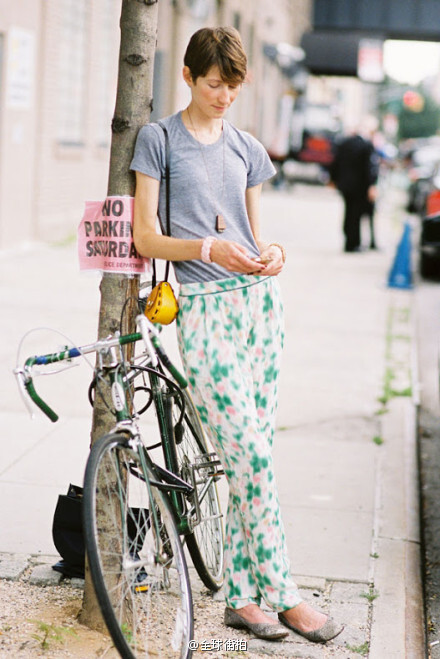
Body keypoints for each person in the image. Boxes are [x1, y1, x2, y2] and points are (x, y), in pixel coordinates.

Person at [130, 26, 344, 644]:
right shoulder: (158, 140)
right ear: (190, 78)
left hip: (259, 307)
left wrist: (270, 253)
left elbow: (256, 234)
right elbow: (146, 237)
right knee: (249, 455)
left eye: (233, 86)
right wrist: (207, 248)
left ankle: (243, 600)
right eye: (214, 84)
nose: (224, 96)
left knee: (257, 460)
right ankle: (287, 595)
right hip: (202, 307)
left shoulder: (247, 147)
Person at [330, 125, 379, 252]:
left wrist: (333, 179)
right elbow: (369, 168)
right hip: (360, 187)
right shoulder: (367, 145)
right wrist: (371, 185)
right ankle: (354, 243)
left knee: (348, 212)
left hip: (345, 185)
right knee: (356, 215)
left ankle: (348, 241)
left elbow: (335, 162)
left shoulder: (344, 143)